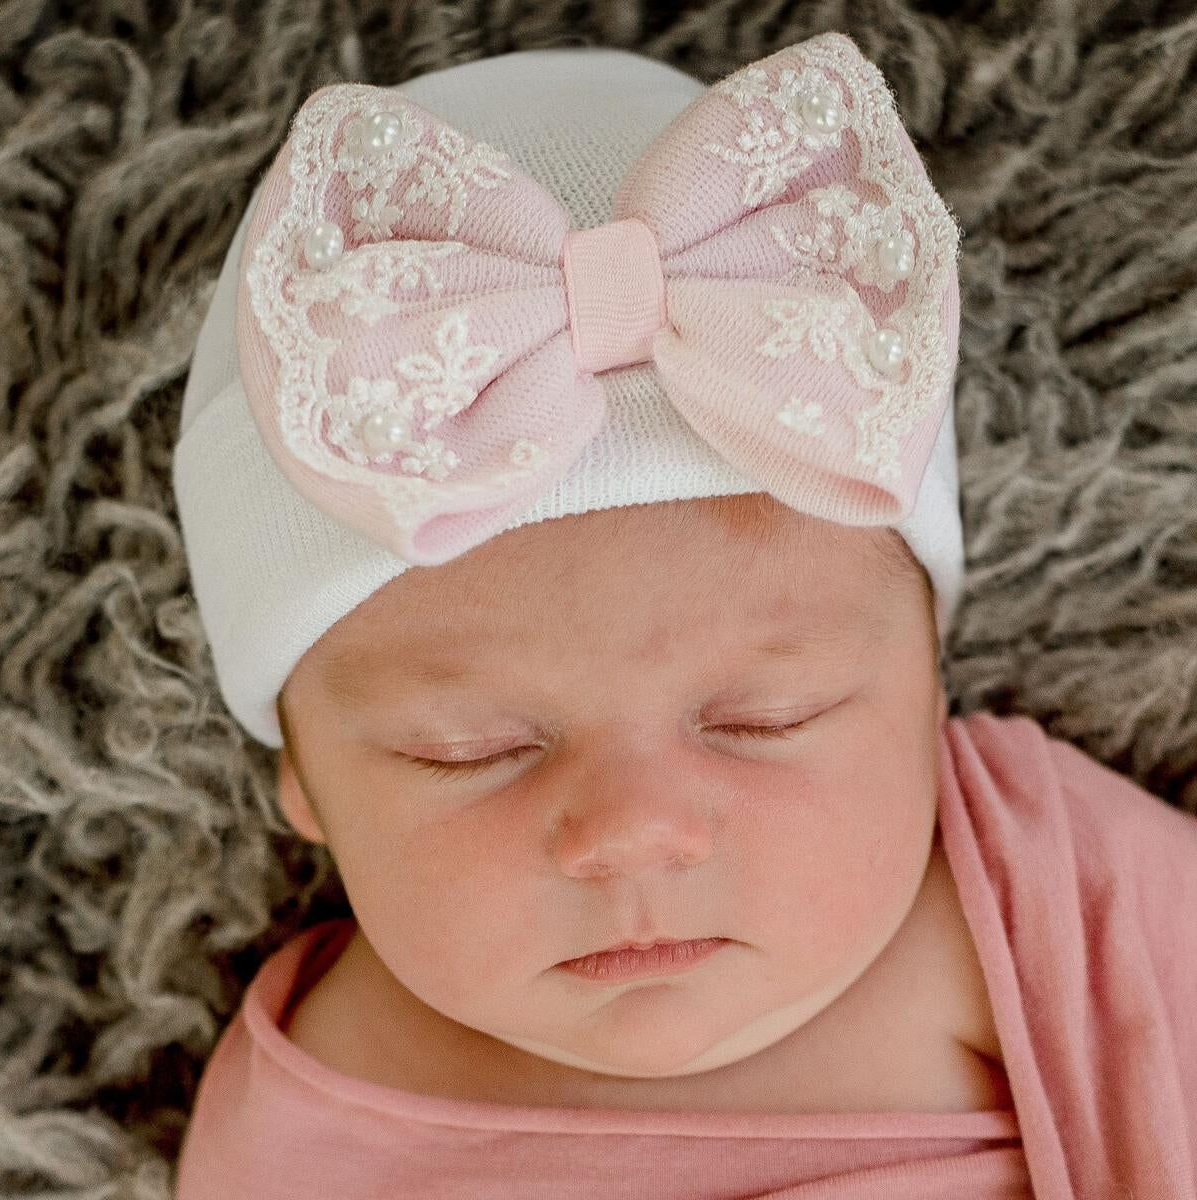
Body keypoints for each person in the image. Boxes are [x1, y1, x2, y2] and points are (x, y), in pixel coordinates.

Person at [170, 31, 1197, 1199]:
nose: (635, 831)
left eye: (768, 716)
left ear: (927, 694)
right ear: (306, 783)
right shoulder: (304, 1120)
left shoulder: (1037, 891)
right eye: (469, 751)